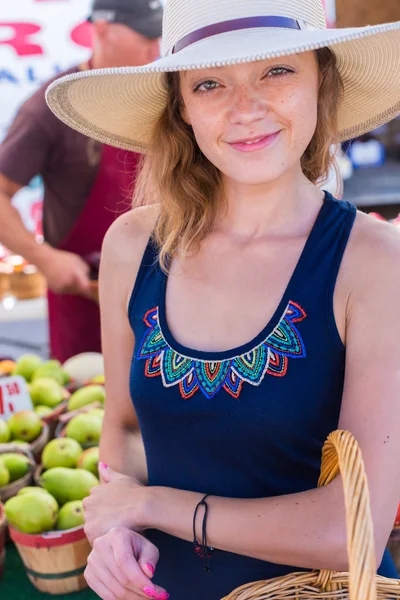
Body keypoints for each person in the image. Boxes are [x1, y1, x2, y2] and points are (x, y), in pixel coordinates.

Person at [47, 1, 400, 599]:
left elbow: (351, 524)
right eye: (210, 83)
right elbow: (126, 428)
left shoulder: (374, 263)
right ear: (181, 107)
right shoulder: (132, 247)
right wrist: (117, 529)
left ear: (322, 81)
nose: (246, 109)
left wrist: (153, 504)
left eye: (277, 71)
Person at [0, 0, 162, 363]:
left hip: (158, 297)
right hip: (85, 302)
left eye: (159, 36)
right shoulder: (51, 108)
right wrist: (45, 258)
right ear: (102, 30)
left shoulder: (161, 99)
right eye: (146, 37)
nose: (156, 49)